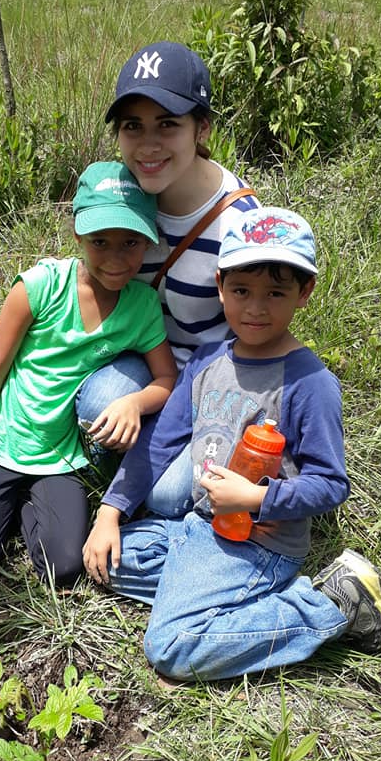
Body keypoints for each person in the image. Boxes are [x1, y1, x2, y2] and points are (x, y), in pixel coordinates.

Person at [83, 207, 381, 682]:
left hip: (259, 544)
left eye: (276, 293)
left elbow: (330, 484)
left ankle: (334, 605)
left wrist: (257, 498)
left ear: (304, 293)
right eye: (242, 291)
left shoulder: (309, 382)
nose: (255, 308)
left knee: (170, 647)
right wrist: (110, 512)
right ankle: (217, 597)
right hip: (198, 526)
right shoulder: (207, 362)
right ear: (220, 285)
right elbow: (160, 443)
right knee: (106, 561)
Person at [0, 161, 177, 586]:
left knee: (66, 569)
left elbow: (167, 379)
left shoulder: (142, 305)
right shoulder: (40, 287)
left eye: (130, 242)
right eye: (100, 241)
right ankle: (6, 505)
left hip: (60, 457)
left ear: (148, 240)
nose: (115, 258)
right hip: (4, 444)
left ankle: (28, 509)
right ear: (77, 234)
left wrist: (133, 401)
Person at [77, 41, 261, 517]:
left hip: (212, 375)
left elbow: (257, 333)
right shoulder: (124, 195)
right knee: (98, 404)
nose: (148, 145)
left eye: (167, 125)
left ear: (202, 128)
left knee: (165, 496)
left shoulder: (239, 223)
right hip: (148, 357)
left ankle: (152, 469)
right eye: (133, 126)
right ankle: (133, 457)